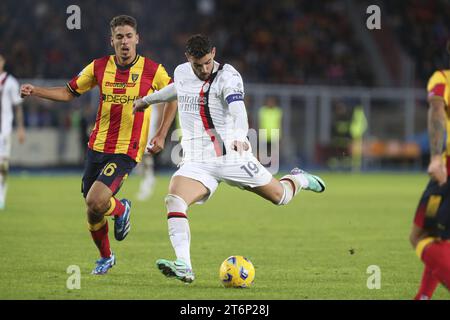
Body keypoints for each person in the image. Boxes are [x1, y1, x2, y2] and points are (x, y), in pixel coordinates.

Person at [133, 34, 326, 283]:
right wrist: (147, 101)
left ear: (213, 53)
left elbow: (238, 111)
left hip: (231, 156)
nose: (203, 69)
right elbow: (176, 90)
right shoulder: (181, 72)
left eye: (206, 63)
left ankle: (298, 179)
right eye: (196, 65)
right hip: (196, 160)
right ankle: (184, 265)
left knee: (281, 197)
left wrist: (238, 135)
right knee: (174, 200)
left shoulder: (229, 77)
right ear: (187, 59)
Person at [20, 15, 175, 275]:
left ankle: (122, 208)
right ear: (111, 40)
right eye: (119, 37)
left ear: (137, 38)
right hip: (97, 146)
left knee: (96, 199)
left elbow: (174, 96)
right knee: (93, 210)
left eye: (128, 36)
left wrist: (160, 134)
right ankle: (106, 256)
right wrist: (37, 90)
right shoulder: (99, 67)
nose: (124, 42)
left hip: (127, 149)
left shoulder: (153, 70)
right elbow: (69, 92)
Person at [410, 43, 450, 299]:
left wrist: (436, 157)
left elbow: (436, 111)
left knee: (420, 236)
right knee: (439, 237)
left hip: (448, 167)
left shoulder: (442, 78)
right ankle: (423, 297)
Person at [0, 54, 26, 210]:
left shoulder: (10, 82)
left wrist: (21, 128)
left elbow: (18, 107)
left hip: (4, 131)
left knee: (2, 164)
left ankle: (1, 195)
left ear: (3, 62)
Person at [136, 103, 163, 201]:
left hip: (150, 118)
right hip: (139, 116)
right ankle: (147, 177)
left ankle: (148, 178)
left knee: (146, 151)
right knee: (141, 151)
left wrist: (159, 128)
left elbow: (160, 105)